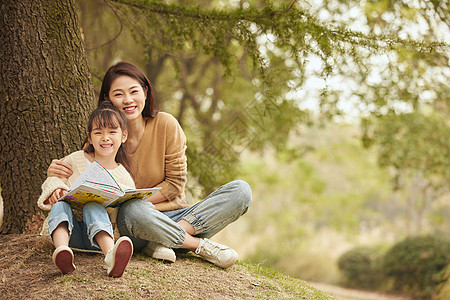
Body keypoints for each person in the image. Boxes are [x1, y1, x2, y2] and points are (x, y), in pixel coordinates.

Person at [47, 61, 252, 269]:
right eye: (118, 94)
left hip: (176, 217)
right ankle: (196, 245)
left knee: (241, 191)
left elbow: (175, 185)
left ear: (145, 92)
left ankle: (159, 240)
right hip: (129, 222)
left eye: (134, 91)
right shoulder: (106, 138)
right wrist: (55, 175)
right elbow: (80, 170)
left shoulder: (166, 124)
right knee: (135, 209)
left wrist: (132, 198)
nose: (128, 100)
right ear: (107, 99)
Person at [38, 102, 134, 277]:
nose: (105, 137)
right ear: (89, 138)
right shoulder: (75, 159)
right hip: (68, 232)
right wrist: (55, 189)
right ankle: (62, 252)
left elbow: (127, 207)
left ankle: (111, 256)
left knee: (93, 206)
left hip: (98, 237)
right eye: (98, 132)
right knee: (60, 205)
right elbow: (54, 178)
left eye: (112, 132)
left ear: (123, 136)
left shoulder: (123, 175)